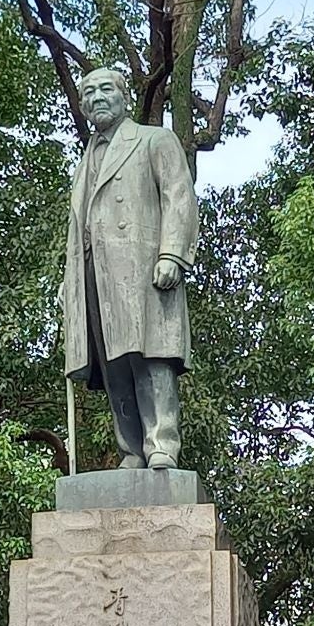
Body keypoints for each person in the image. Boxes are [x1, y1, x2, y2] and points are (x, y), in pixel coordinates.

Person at [63, 68, 198, 469]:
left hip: (141, 268)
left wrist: (172, 253)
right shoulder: (85, 161)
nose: (97, 98)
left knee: (149, 357)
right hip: (94, 275)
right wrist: (68, 284)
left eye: (106, 89)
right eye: (88, 92)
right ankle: (131, 449)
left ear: (124, 96)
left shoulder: (154, 139)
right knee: (113, 366)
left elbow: (180, 196)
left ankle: (162, 444)